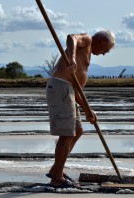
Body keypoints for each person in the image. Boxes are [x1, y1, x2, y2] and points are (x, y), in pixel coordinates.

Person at [46, 30, 115, 188]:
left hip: (69, 91)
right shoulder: (88, 39)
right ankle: (57, 178)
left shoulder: (88, 51)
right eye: (107, 50)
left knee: (77, 131)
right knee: (67, 133)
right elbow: (71, 37)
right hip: (61, 87)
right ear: (103, 41)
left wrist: (88, 110)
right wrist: (71, 59)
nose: (104, 54)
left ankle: (56, 169)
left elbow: (77, 92)